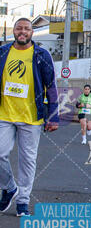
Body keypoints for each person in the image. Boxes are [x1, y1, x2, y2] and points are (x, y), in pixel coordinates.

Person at [0, 18, 59, 216]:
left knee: (27, 160)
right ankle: (10, 187)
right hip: (4, 114)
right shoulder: (3, 52)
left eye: (26, 28)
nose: (22, 31)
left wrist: (53, 116)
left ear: (32, 32)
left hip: (31, 117)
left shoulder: (42, 55)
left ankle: (23, 201)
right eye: (19, 28)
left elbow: (51, 87)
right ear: (14, 31)